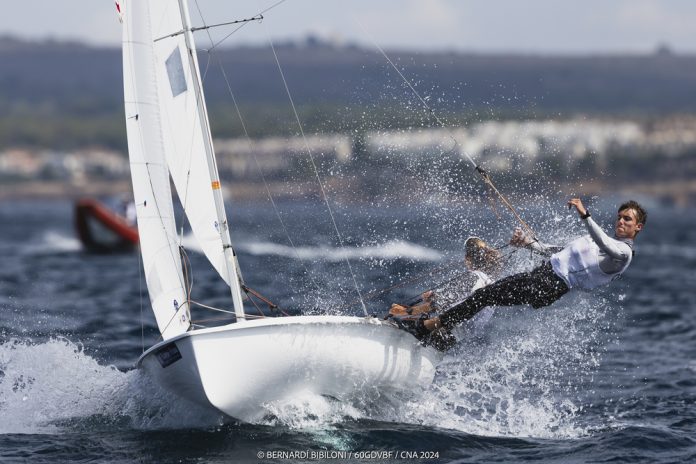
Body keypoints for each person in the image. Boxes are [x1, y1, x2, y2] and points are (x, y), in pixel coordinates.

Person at [400, 199, 647, 351]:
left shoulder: (623, 255)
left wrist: (584, 214)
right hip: (542, 275)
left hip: (551, 285)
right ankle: (441, 331)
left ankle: (431, 326)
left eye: (628, 219)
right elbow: (557, 252)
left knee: (485, 295)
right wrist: (528, 244)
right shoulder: (598, 241)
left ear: (638, 227)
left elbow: (606, 244)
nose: (621, 221)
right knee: (485, 294)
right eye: (619, 217)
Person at [388, 236, 503, 339]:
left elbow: (440, 303)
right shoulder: (491, 283)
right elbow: (459, 301)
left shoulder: (473, 277)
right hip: (452, 338)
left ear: (468, 259)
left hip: (439, 330)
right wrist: (434, 297)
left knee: (400, 321)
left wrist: (406, 311)